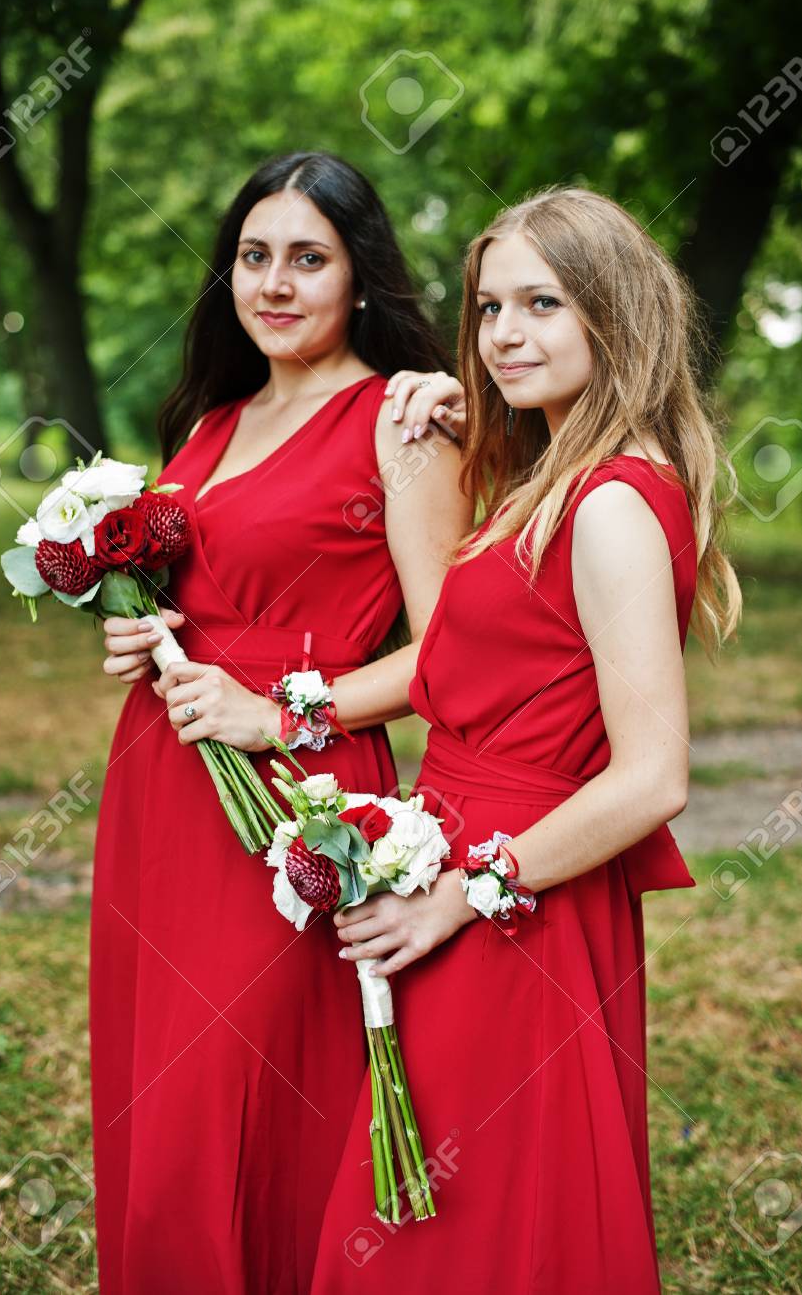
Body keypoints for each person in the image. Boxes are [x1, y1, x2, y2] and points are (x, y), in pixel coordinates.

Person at [314, 186, 741, 1293]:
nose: (504, 333)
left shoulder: (606, 503)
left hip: (514, 892)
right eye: (489, 307)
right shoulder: (550, 478)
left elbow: (651, 778)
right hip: (467, 858)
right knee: (445, 1208)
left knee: (473, 1217)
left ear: (615, 311)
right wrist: (458, 406)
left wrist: (464, 889)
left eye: (543, 304)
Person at [89, 151, 472, 1295]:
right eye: (255, 256)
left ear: (361, 278)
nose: (275, 282)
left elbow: (454, 653)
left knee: (242, 1091)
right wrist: (144, 631)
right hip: (165, 786)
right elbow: (206, 598)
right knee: (160, 1095)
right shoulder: (211, 422)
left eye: (309, 258)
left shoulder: (399, 423)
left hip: (296, 798)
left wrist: (281, 708)